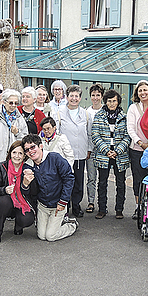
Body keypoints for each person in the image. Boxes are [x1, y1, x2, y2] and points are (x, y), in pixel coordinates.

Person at [0, 89, 28, 221]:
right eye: (11, 102)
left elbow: (24, 138)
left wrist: (17, 131)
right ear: (4, 102)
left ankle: (8, 212)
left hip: (12, 159)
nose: (13, 105)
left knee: (10, 186)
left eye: (16, 103)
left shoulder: (19, 117)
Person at [22, 134, 77, 241]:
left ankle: (71, 224)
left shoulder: (55, 158)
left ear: (41, 146)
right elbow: (28, 192)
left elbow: (69, 178)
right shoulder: (27, 166)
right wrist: (25, 183)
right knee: (42, 236)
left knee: (50, 236)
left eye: (33, 147)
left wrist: (63, 201)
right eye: (27, 150)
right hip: (43, 206)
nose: (30, 151)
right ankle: (55, 222)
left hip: (58, 204)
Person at [91, 89, 131, 219]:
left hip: (120, 155)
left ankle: (119, 209)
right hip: (104, 155)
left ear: (118, 101)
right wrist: (106, 150)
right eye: (109, 101)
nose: (112, 103)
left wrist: (117, 151)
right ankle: (102, 209)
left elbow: (127, 136)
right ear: (105, 102)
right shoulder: (99, 116)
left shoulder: (124, 117)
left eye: (114, 101)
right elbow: (95, 135)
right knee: (102, 183)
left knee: (120, 183)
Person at [0, 141, 37, 243]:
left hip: (22, 203)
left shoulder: (28, 169)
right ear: (10, 153)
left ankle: (19, 225)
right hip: (6, 202)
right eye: (14, 152)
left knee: (27, 219)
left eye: (20, 153)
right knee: (2, 201)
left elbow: (34, 193)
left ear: (24, 156)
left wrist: (26, 185)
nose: (17, 156)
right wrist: (4, 190)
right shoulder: (2, 167)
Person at [58, 84, 90, 218]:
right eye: (71, 96)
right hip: (64, 153)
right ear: (67, 97)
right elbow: (57, 133)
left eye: (77, 96)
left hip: (80, 152)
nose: (74, 99)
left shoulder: (85, 113)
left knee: (78, 181)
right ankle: (65, 206)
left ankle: (76, 205)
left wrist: (89, 149)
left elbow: (89, 133)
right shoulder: (59, 112)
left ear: (80, 98)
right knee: (64, 180)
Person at [127, 80, 148, 207]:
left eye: (145, 90)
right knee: (138, 178)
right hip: (137, 149)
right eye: (140, 90)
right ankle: (139, 207)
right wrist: (140, 142)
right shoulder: (133, 108)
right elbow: (130, 129)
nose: (143, 93)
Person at [85, 83, 103, 213]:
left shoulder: (105, 111)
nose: (95, 97)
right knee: (91, 177)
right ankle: (91, 201)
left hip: (102, 150)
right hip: (90, 149)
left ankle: (102, 203)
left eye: (98, 95)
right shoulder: (87, 112)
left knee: (102, 179)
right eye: (93, 95)